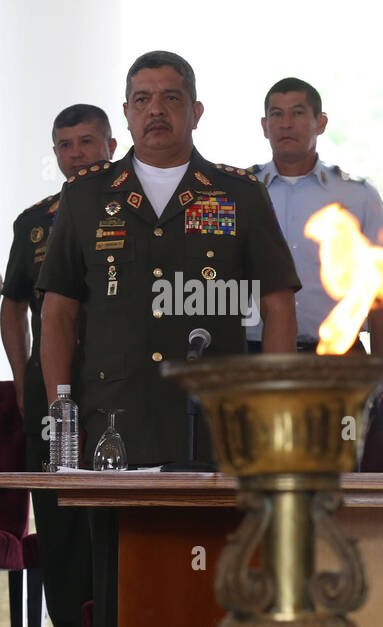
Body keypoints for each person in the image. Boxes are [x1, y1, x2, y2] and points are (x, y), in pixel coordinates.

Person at [38, 50, 300, 467]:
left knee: (211, 535)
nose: (156, 109)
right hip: (113, 419)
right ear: (126, 112)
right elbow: (57, 313)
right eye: (142, 99)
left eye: (171, 98)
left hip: (217, 420)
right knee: (113, 535)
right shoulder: (86, 195)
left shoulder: (238, 193)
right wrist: (62, 413)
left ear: (195, 112)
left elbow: (278, 305)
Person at [1, 104, 115, 627]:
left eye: (87, 142)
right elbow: (14, 303)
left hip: (117, 391)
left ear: (110, 146)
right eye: (66, 145)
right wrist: (28, 375)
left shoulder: (132, 213)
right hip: (53, 395)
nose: (77, 154)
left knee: (120, 513)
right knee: (60, 516)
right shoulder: (35, 222)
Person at [250, 77, 383, 357]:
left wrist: (379, 372)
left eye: (298, 113)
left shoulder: (358, 195)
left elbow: (382, 291)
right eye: (276, 114)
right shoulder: (239, 191)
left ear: (321, 123)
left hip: (339, 356)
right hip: (254, 356)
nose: (286, 123)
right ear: (264, 126)